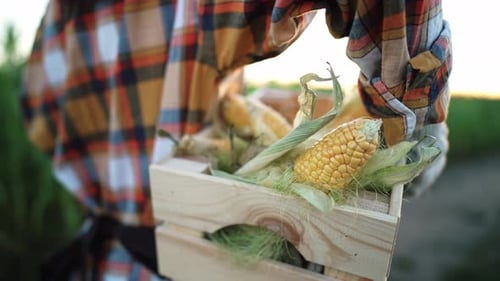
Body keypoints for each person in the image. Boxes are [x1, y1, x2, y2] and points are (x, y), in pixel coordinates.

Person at [21, 0, 452, 280]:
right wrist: (415, 141)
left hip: (105, 264)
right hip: (202, 264)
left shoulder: (57, 17)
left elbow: (39, 121)